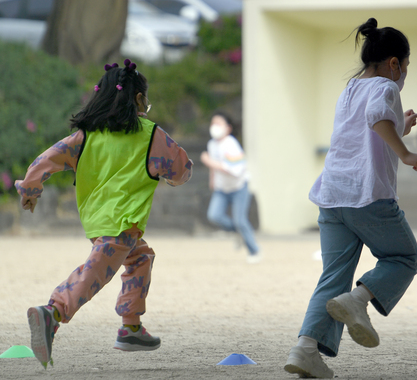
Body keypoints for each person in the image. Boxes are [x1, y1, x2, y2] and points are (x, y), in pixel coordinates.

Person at [15, 60, 193, 368]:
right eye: (145, 98)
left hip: (99, 220)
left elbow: (45, 161)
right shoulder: (151, 136)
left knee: (140, 259)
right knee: (95, 272)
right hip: (123, 223)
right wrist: (169, 175)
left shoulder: (86, 137)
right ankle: (52, 312)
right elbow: (181, 171)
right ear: (139, 99)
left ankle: (131, 328)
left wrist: (30, 190)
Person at [284, 17, 417, 378]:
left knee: (332, 278)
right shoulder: (386, 86)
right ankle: (359, 300)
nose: (404, 73)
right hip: (368, 197)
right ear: (394, 63)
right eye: (405, 66)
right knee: (405, 257)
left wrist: (399, 127)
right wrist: (406, 152)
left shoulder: (350, 87)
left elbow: (366, 128)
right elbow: (378, 117)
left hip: (332, 197)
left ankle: (305, 351)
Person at [200, 112, 261, 263]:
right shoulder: (212, 144)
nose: (215, 127)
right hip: (222, 188)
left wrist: (208, 161)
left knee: (240, 220)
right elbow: (214, 167)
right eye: (213, 123)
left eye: (218, 123)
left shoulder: (231, 144)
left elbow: (232, 169)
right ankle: (238, 233)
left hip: (239, 187)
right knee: (214, 215)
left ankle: (254, 251)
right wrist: (212, 180)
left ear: (228, 128)